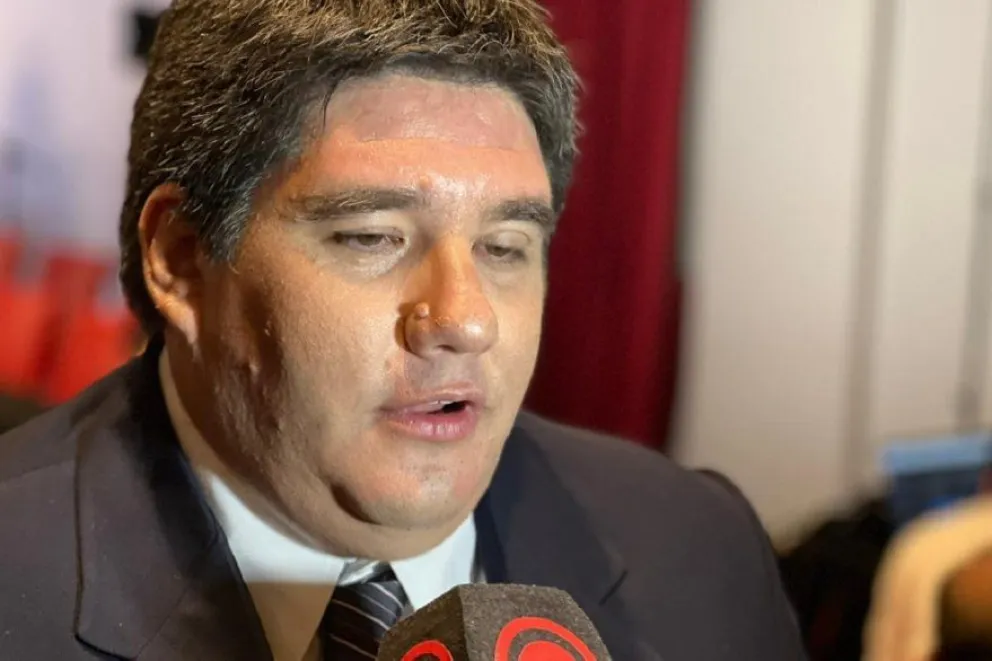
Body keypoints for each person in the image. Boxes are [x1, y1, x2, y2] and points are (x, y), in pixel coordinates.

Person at [0, 1, 805, 659]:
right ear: (181, 259)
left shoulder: (699, 547)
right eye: (372, 237)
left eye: (505, 247)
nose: (465, 318)